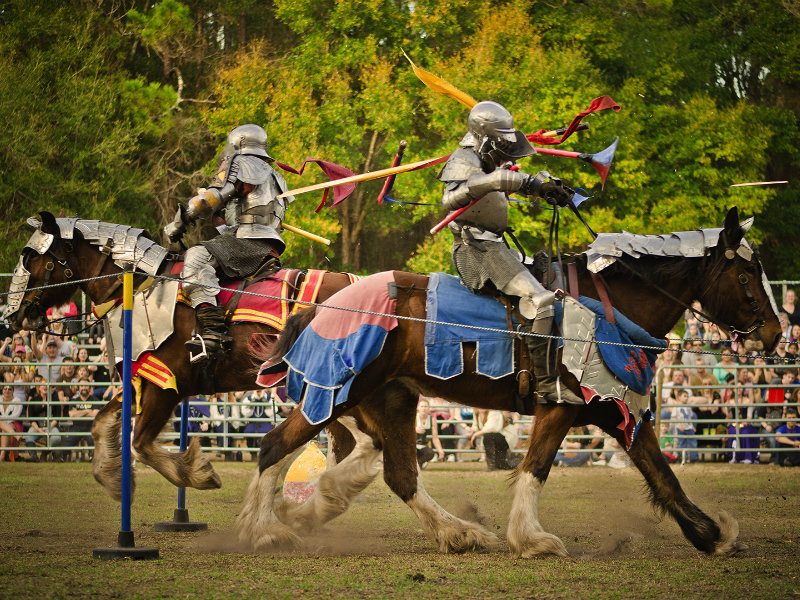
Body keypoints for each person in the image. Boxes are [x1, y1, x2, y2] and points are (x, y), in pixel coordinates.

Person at [436, 100, 580, 405]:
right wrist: (500, 181)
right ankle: (546, 385)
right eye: (499, 145)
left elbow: (509, 177)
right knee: (541, 302)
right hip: (476, 249)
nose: (502, 154)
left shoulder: (485, 158)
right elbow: (451, 199)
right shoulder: (463, 158)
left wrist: (542, 185)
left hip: (496, 245)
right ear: (486, 138)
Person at [164, 124, 294, 361]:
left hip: (249, 241)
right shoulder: (276, 176)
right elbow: (234, 218)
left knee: (196, 257)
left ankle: (213, 333)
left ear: (237, 146)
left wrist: (180, 221)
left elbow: (210, 199)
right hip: (266, 244)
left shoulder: (242, 165)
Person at [62, 379, 99, 461]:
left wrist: (78, 412)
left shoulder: (95, 400)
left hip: (91, 427)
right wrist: (87, 411)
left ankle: (92, 457)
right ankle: (62, 457)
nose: (84, 388)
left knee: (91, 440)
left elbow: (95, 414)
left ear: (89, 387)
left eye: (86, 386)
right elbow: (72, 415)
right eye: (82, 386)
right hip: (77, 427)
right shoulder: (74, 401)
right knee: (67, 444)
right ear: (78, 388)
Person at [415, 397, 445, 468]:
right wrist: (414, 429)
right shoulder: (413, 418)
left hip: (423, 445)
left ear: (429, 408)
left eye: (426, 406)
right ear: (418, 408)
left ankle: (418, 463)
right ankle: (416, 464)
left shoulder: (432, 420)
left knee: (430, 453)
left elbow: (435, 438)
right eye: (422, 406)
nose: (424, 408)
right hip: (412, 445)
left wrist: (440, 451)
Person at [0, 384, 23, 461]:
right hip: (5, 424)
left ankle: (2, 454)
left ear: (13, 391)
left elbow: (15, 416)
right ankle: (14, 434)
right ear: (2, 390)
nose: (7, 390)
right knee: (2, 423)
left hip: (13, 423)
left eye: (10, 389)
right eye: (5, 388)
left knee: (4, 429)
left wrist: (4, 421)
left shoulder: (17, 400)